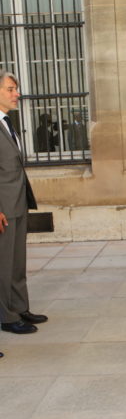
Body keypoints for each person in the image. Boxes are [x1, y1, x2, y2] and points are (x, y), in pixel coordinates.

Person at [0, 70, 47, 336]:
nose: (16, 94)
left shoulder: (7, 122)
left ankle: (19, 307)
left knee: (17, 261)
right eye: (10, 89)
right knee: (3, 264)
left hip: (17, 202)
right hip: (3, 208)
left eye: (15, 89)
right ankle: (6, 317)